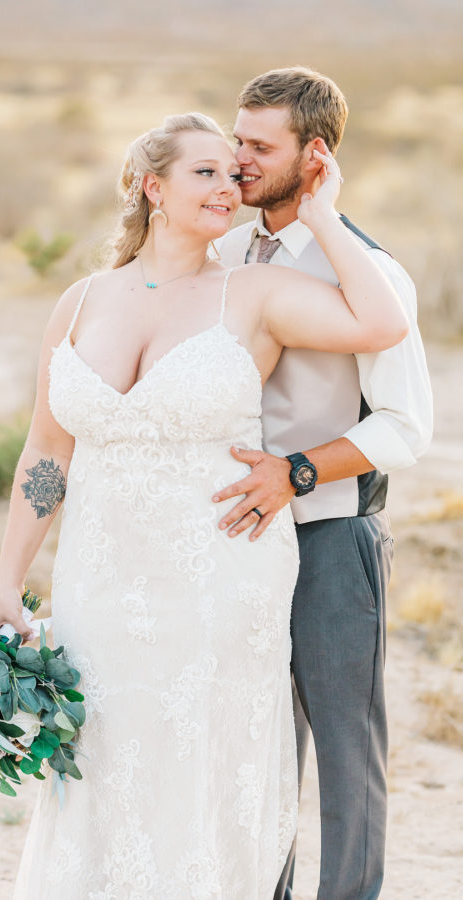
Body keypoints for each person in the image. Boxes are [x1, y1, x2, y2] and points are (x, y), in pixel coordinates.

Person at [0, 112, 407, 899]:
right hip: (99, 578)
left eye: (232, 170)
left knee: (200, 762)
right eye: (204, 172)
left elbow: (382, 323)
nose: (229, 183)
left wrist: (323, 215)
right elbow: (46, 453)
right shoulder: (82, 300)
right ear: (153, 187)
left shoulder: (253, 292)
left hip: (218, 572)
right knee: (103, 756)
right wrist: (9, 578)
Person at [213, 68, 432, 900]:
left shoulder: (372, 273)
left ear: (316, 156)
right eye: (237, 140)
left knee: (346, 750)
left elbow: (406, 427)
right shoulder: (224, 254)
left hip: (334, 539)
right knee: (255, 747)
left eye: (259, 147)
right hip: (233, 539)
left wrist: (295, 475)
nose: (238, 161)